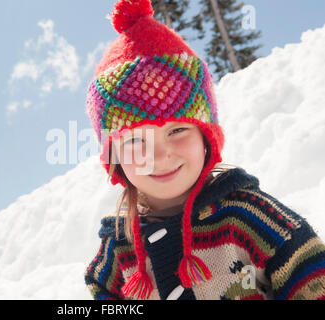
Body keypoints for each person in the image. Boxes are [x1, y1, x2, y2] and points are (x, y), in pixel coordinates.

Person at [84, 0, 325, 300]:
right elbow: (101, 290)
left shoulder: (248, 216)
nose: (160, 155)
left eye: (177, 130)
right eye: (135, 141)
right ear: (115, 157)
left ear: (206, 138)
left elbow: (312, 275)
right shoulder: (118, 248)